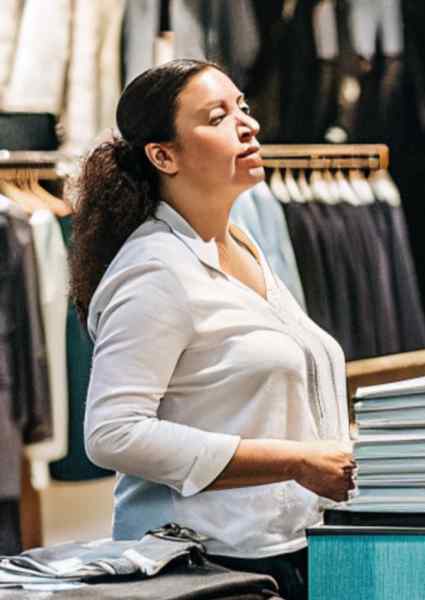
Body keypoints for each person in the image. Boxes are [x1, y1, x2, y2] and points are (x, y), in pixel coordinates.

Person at [69, 60, 355, 600]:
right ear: (163, 154)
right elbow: (112, 432)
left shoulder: (241, 242)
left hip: (283, 550)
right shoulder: (154, 269)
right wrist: (294, 460)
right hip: (207, 566)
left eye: (243, 108)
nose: (247, 125)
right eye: (218, 117)